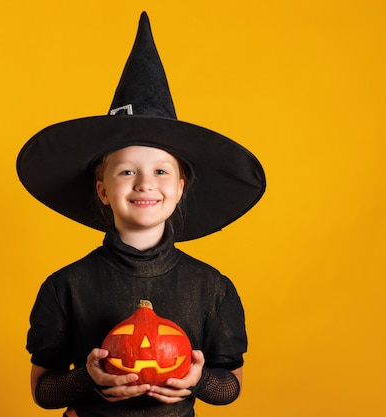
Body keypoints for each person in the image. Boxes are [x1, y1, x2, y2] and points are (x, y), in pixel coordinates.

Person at [16, 12, 266, 417]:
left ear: (180, 187)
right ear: (102, 190)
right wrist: (86, 379)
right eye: (127, 171)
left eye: (161, 171)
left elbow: (230, 385)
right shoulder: (67, 286)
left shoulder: (211, 287)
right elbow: (43, 391)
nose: (144, 183)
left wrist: (198, 380)